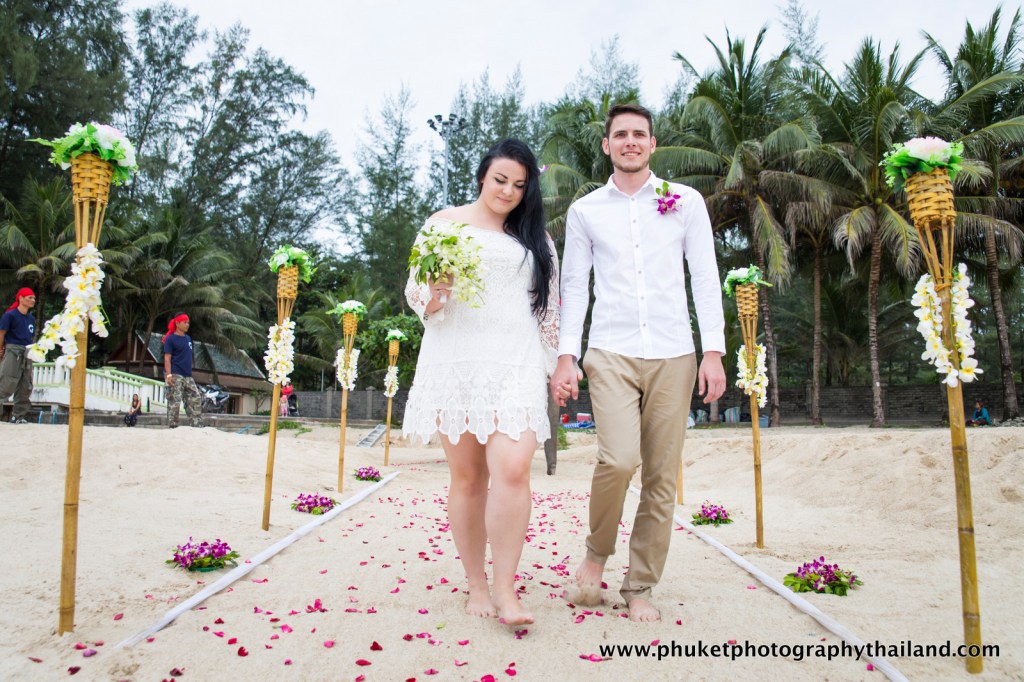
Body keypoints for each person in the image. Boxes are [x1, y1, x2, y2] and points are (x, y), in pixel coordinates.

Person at [550, 103, 727, 622]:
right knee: (619, 459)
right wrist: (567, 356)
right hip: (609, 351)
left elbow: (705, 278)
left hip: (675, 351)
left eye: (639, 134)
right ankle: (595, 555)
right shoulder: (586, 212)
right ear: (607, 145)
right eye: (620, 134)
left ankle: (641, 585)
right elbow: (574, 289)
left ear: (653, 144)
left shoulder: (686, 202)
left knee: (662, 477)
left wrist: (712, 351)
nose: (630, 141)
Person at [403, 139, 559, 626]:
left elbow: (551, 309)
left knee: (513, 470)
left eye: (519, 184)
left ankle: (507, 589)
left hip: (516, 365)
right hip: (457, 361)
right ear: (482, 177)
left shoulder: (537, 238)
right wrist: (437, 291)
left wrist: (553, 366)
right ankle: (476, 583)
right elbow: (415, 293)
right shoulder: (443, 223)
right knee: (469, 478)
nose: (508, 191)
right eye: (500, 180)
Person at [0, 288, 37, 424]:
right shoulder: (10, 315)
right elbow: (2, 333)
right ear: (20, 298)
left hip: (27, 351)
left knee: (25, 384)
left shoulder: (31, 318)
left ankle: (18, 416)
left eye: (33, 298)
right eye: (29, 298)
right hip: (13, 350)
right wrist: (1, 349)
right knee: (6, 381)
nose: (32, 300)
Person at [163, 313, 203, 428]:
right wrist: (169, 375)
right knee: (175, 401)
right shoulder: (170, 339)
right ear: (177, 323)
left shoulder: (188, 338)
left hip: (188, 376)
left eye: (188, 322)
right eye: (185, 322)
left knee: (195, 397)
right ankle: (173, 426)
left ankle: (196, 424)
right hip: (175, 374)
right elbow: (167, 357)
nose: (187, 325)